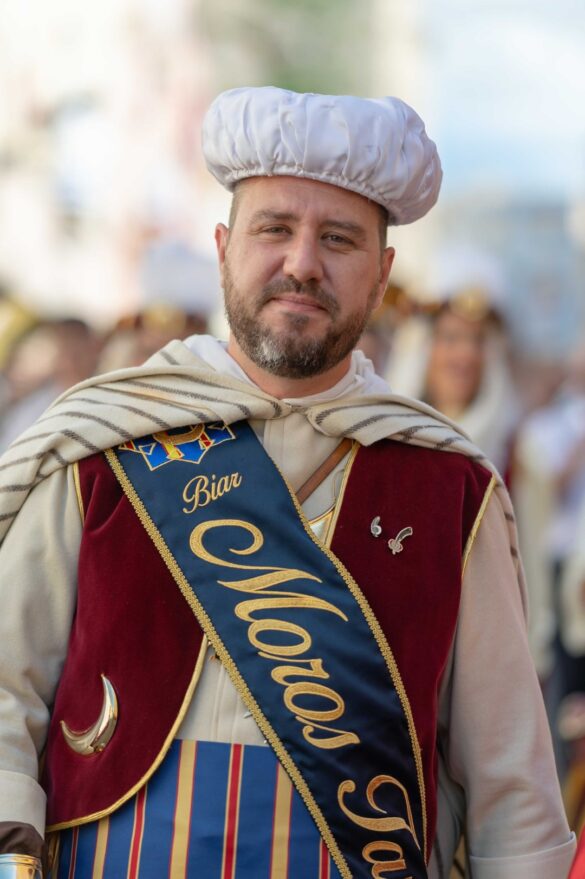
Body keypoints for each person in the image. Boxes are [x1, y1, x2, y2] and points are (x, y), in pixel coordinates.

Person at [0, 86, 575, 879]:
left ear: (381, 273)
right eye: (274, 228)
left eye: (338, 238)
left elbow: (510, 785)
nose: (302, 264)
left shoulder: (449, 488)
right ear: (223, 247)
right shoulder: (101, 447)